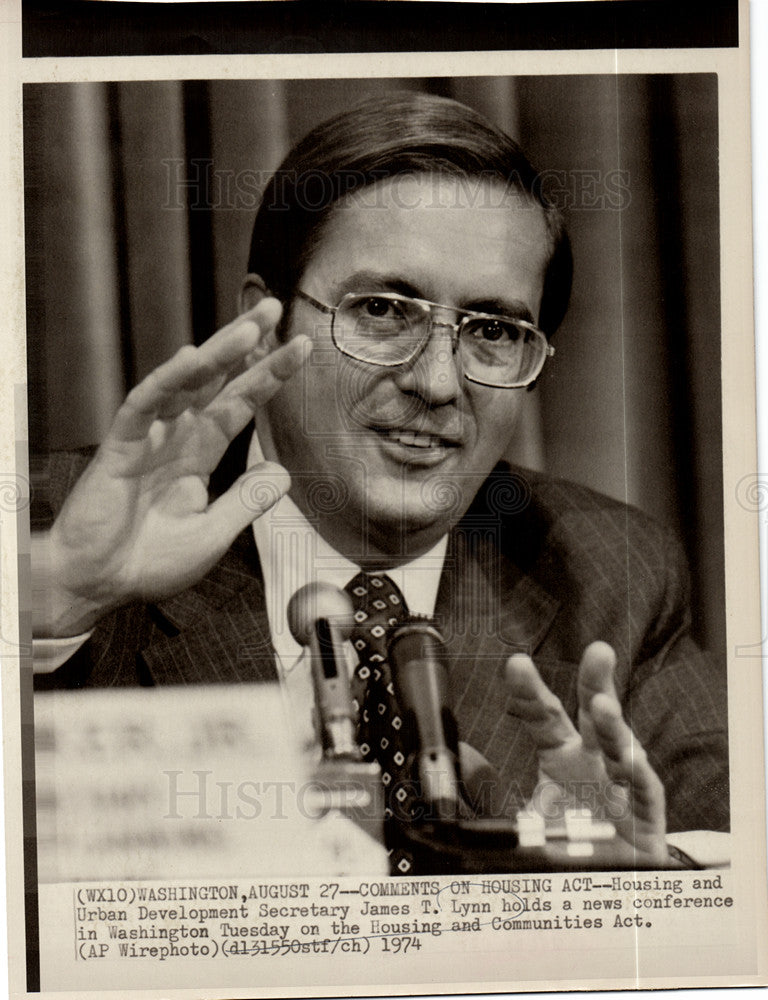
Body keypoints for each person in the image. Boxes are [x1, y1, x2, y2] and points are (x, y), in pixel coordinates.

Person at [32, 93, 728, 869]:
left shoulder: (606, 571)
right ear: (265, 328)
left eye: (493, 331)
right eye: (384, 311)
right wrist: (61, 602)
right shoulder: (50, 535)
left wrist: (624, 888)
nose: (436, 382)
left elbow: (737, 851)